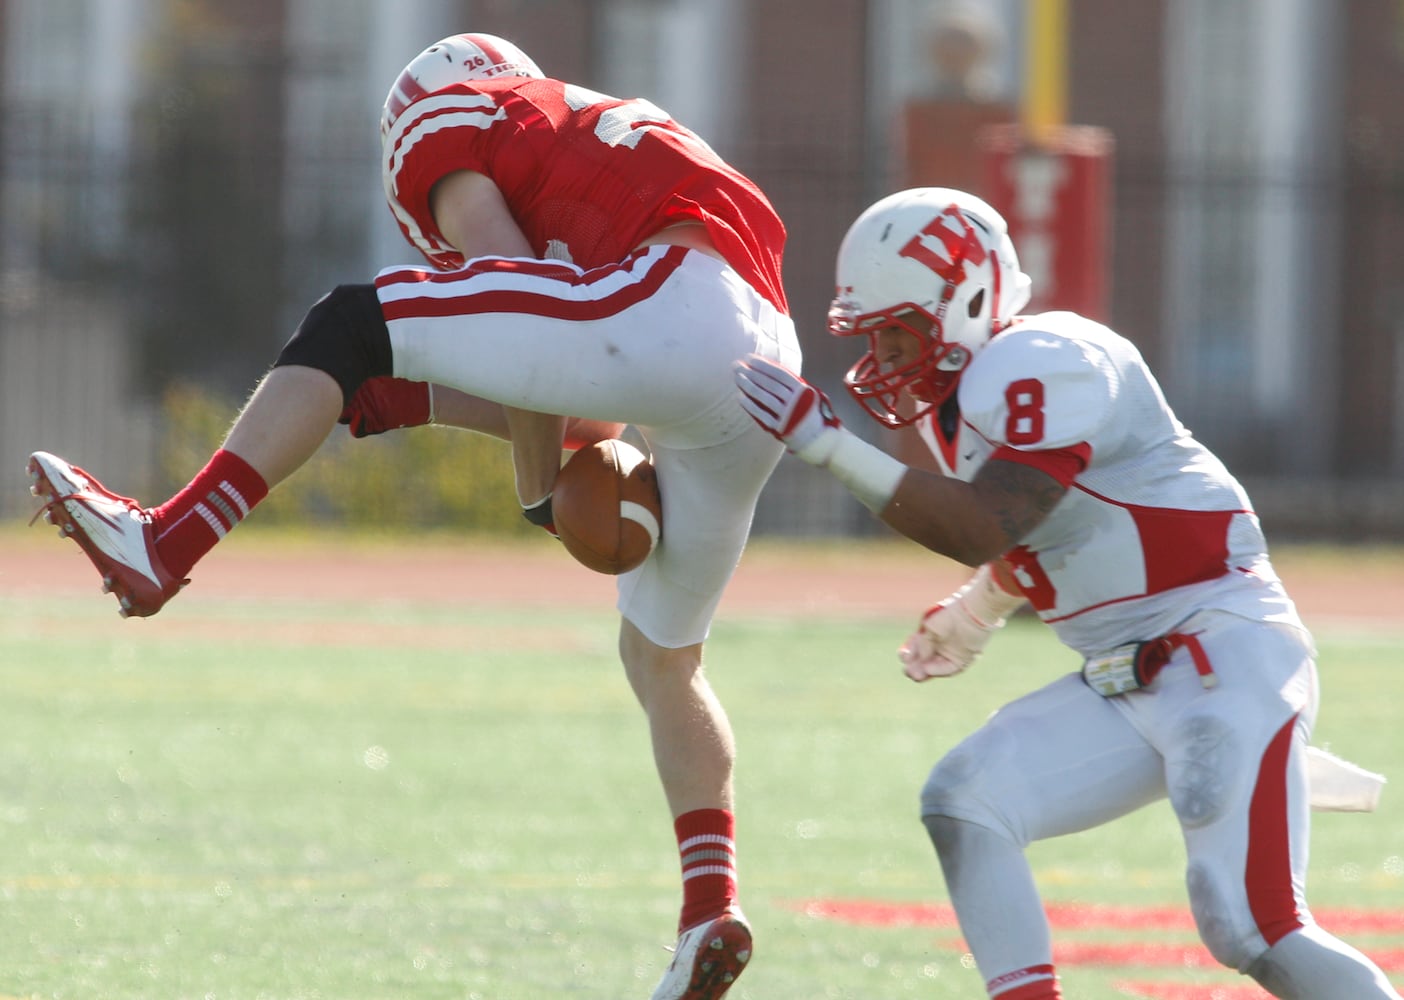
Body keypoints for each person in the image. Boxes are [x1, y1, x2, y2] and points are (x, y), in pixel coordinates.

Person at [28, 32, 797, 1000]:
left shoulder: (456, 111)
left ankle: (165, 540)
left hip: (660, 305)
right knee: (663, 657)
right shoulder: (602, 127)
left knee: (350, 322)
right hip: (761, 358)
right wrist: (408, 398)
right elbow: (583, 392)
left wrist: (534, 495)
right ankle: (708, 908)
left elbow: (513, 277)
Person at [734, 187, 1399, 1000]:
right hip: (1129, 678)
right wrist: (975, 613)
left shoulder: (1046, 357)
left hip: (1220, 647)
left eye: (898, 329)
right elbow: (1049, 532)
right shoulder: (970, 399)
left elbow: (989, 521)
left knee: (1247, 924)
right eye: (874, 332)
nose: (885, 352)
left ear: (969, 298)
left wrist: (826, 446)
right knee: (965, 801)